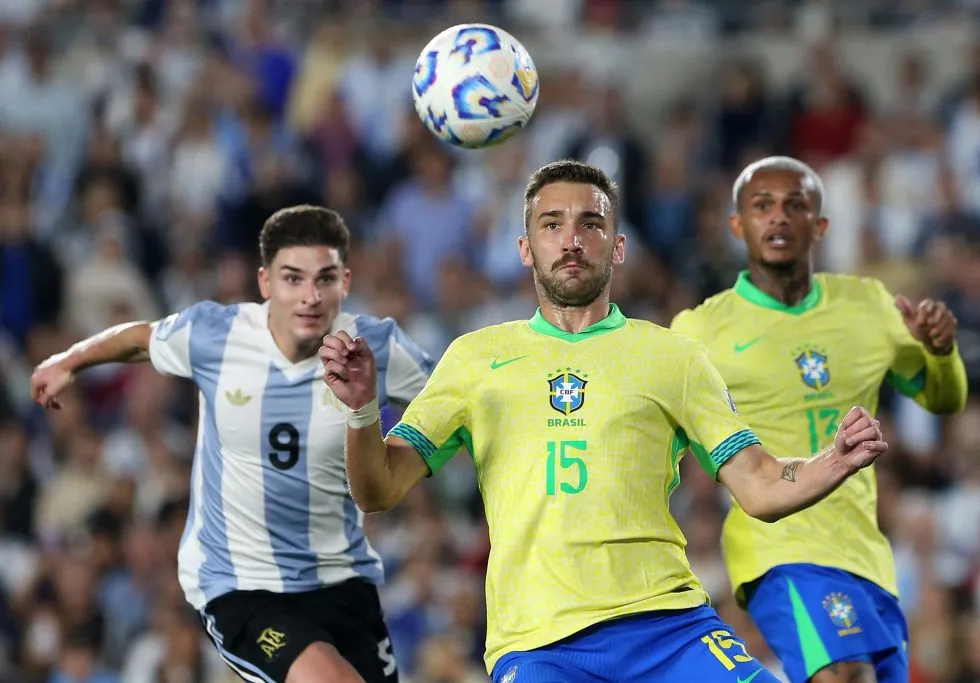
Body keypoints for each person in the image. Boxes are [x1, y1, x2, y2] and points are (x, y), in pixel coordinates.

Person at [318, 160, 890, 683]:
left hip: (669, 628)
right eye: (552, 224)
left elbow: (760, 485)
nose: (571, 239)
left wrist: (832, 460)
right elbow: (379, 490)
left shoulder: (672, 355)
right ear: (525, 247)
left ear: (617, 248)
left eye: (590, 223)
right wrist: (362, 411)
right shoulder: (475, 357)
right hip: (540, 645)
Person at [31, 205, 434, 683]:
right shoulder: (216, 334)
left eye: (324, 279)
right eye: (292, 279)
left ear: (344, 282)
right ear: (265, 282)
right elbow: (140, 339)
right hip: (241, 585)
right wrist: (69, 361)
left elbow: (454, 397)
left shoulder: (377, 346)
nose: (310, 296)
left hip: (341, 579)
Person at [671, 156, 968, 683]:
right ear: (738, 225)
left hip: (865, 551)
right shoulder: (701, 329)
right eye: (762, 207)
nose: (779, 218)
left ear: (821, 225)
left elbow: (943, 401)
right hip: (776, 547)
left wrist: (940, 352)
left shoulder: (869, 305)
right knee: (843, 674)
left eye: (795, 205)